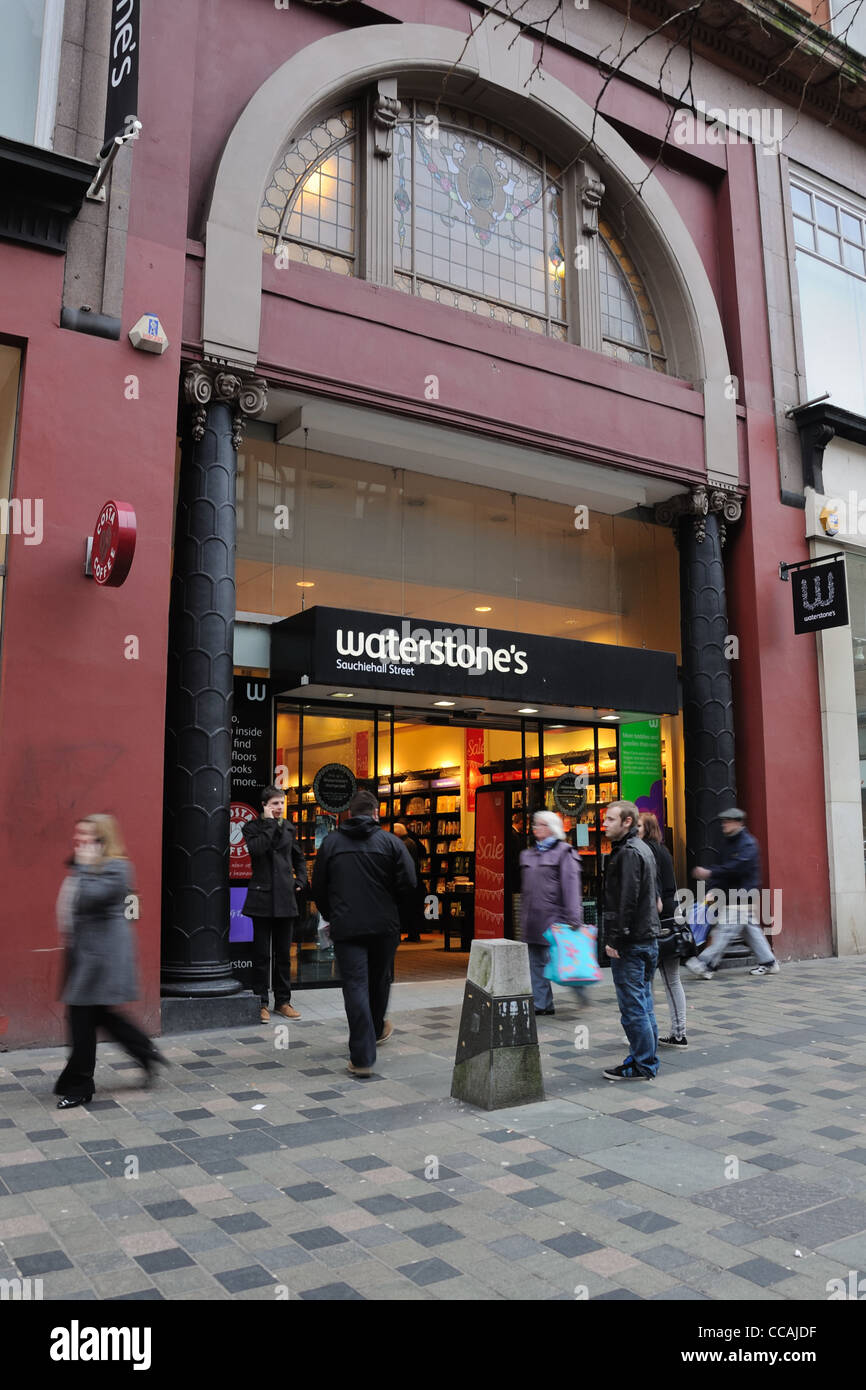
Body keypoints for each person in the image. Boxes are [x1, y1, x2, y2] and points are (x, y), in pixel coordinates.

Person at [54, 815, 165, 1110]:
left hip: (101, 961)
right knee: (100, 1017)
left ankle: (79, 1086)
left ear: (103, 840)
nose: (79, 840)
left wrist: (85, 866)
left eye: (87, 835)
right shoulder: (87, 866)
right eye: (78, 833)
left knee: (82, 1022)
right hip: (84, 956)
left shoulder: (117, 868)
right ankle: (144, 1051)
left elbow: (89, 899)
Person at [312, 789, 416, 1077]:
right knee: (380, 980)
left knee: (355, 985)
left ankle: (362, 1057)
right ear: (376, 813)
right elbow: (409, 882)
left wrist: (333, 914)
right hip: (384, 926)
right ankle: (378, 1026)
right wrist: (392, 908)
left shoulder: (331, 843)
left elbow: (318, 887)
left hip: (347, 927)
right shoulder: (392, 842)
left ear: (349, 814)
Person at [601, 800, 661, 1080]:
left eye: (611, 819)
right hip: (647, 938)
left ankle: (643, 1064)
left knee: (633, 1007)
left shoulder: (628, 853)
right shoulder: (643, 849)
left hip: (633, 941)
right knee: (643, 1003)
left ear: (627, 822)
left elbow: (627, 900)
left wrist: (615, 938)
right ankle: (646, 1059)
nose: (605, 823)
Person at [685, 807, 779, 980]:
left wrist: (709, 874)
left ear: (738, 823)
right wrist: (712, 890)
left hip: (742, 896)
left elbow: (735, 868)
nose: (724, 825)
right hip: (733, 895)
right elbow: (725, 870)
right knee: (750, 930)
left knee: (725, 929)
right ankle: (768, 962)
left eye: (728, 822)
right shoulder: (728, 842)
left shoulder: (747, 844)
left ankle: (706, 963)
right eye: (723, 822)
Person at [242, 785, 308, 1023]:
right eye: (275, 804)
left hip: (285, 899)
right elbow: (257, 850)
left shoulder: (290, 827)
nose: (280, 807)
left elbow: (299, 857)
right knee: (261, 954)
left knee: (283, 955)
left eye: (282, 803)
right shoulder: (251, 828)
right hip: (261, 898)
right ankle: (261, 1002)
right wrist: (270, 824)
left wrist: (301, 880)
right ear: (265, 806)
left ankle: (283, 1001)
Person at [519, 810, 584, 1016]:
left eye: (540, 824)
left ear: (551, 828)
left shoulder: (565, 853)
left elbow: (571, 887)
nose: (535, 828)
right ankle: (542, 1004)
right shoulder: (528, 854)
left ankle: (580, 989)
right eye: (535, 824)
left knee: (562, 961)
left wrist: (574, 919)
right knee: (536, 964)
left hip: (555, 920)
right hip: (533, 921)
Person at [638, 812, 687, 1048]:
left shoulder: (648, 851)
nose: (634, 829)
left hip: (661, 922)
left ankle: (658, 1033)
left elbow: (654, 892)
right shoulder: (663, 850)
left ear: (646, 829)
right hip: (672, 916)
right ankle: (677, 1032)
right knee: (670, 980)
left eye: (638, 825)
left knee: (656, 980)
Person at [393, 821, 425, 942]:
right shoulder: (410, 842)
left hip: (407, 881)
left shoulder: (403, 844)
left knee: (406, 909)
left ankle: (410, 933)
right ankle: (413, 934)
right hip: (414, 881)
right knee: (413, 910)